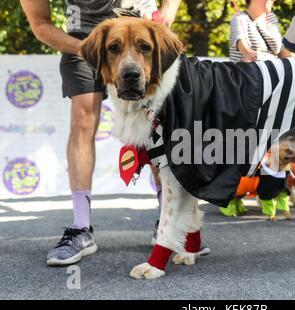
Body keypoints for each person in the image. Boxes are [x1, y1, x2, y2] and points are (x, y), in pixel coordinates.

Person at [20, 0, 181, 266]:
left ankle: (166, 220)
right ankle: (81, 227)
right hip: (86, 41)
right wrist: (90, 50)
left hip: (140, 30)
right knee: (83, 118)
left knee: (156, 125)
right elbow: (40, 25)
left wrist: (167, 11)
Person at [229, 0, 295, 63]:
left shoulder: (272, 18)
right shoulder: (240, 19)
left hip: (272, 71)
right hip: (250, 72)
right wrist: (248, 53)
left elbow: (280, 50)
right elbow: (242, 45)